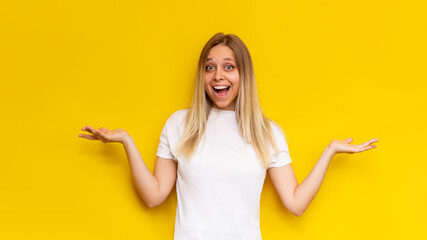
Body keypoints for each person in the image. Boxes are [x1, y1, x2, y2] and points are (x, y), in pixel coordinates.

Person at [78, 32, 379, 240]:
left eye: (228, 67)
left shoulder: (266, 133)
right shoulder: (179, 125)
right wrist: (127, 142)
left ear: (242, 75)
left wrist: (330, 151)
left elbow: (295, 203)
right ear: (202, 76)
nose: (218, 75)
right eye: (210, 68)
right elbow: (155, 196)